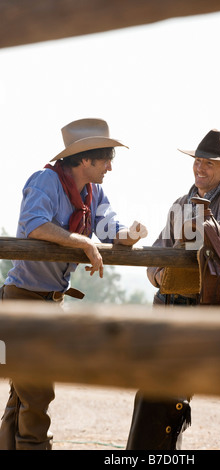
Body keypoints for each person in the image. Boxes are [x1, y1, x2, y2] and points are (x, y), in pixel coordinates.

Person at [0, 117, 147, 450]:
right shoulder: (45, 181)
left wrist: (132, 234)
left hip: (49, 302)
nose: (110, 166)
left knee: (23, 394)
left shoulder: (94, 192)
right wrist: (83, 241)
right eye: (106, 158)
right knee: (36, 391)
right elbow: (35, 225)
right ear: (85, 159)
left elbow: (111, 231)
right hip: (24, 299)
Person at [126, 129, 220, 450]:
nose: (200, 168)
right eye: (198, 161)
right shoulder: (180, 202)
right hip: (168, 305)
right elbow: (157, 252)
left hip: (199, 308)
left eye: (210, 163)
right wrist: (161, 276)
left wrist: (196, 226)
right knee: (157, 390)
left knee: (170, 393)